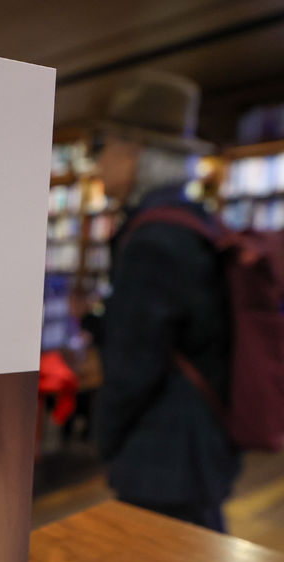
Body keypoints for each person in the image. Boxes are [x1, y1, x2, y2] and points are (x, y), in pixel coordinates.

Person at [92, 70, 240, 532]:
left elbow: (134, 363)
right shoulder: (192, 222)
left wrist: (105, 438)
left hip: (164, 455)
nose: (98, 163)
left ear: (133, 151)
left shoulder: (154, 238)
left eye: (103, 147)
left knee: (167, 561)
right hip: (198, 440)